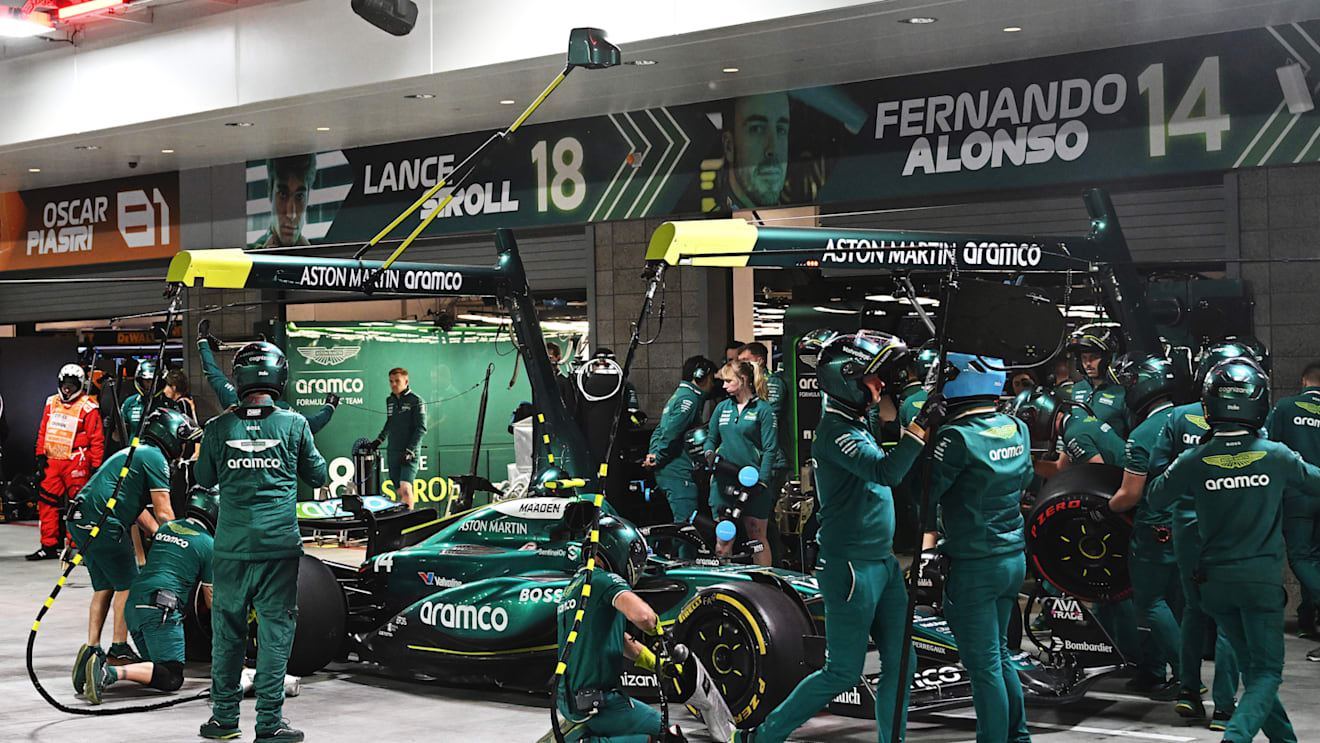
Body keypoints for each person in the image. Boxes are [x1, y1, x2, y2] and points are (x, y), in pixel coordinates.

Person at [735, 331, 930, 743]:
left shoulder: (857, 421)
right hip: (850, 567)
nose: (879, 387)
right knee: (842, 670)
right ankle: (763, 736)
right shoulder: (834, 432)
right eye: (872, 379)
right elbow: (886, 472)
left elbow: (886, 436)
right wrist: (921, 427)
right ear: (846, 379)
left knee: (902, 660)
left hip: (882, 562)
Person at [1147, 357, 1317, 743]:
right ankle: (1235, 737)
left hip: (1215, 586)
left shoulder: (1195, 459)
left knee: (1253, 670)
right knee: (1268, 673)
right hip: (1259, 585)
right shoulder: (1276, 456)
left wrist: (1190, 462)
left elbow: (1156, 497)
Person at [196, 341, 327, 743]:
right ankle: (269, 724)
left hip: (231, 549)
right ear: (279, 377)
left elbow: (203, 478)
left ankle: (223, 720)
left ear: (239, 378)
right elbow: (319, 476)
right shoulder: (294, 424)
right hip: (278, 549)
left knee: (228, 634)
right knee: (274, 634)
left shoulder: (217, 428)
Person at [926, 353, 1033, 743]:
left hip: (974, 562)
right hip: (1012, 556)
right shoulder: (1016, 426)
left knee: (984, 666)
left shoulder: (955, 437)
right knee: (1000, 655)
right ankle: (1018, 737)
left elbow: (922, 494)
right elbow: (1027, 477)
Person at [1146, 340, 1253, 731]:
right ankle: (1224, 708)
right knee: (1229, 619)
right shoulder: (1257, 422)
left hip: (1186, 527)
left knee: (1193, 610)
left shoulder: (1176, 419)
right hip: (1233, 529)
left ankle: (1189, 693)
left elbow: (1158, 476)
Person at [68, 408, 198, 684]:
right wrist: (182, 540)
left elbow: (135, 507)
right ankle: (118, 650)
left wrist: (159, 534)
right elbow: (163, 511)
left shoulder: (134, 452)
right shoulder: (154, 458)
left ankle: (92, 648)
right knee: (130, 585)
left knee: (104, 587)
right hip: (104, 523)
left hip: (80, 519)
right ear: (171, 437)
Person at [552, 516, 682, 742]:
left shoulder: (575, 587)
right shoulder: (603, 580)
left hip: (573, 700)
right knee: (671, 737)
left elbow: (617, 640)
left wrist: (655, 664)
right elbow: (643, 616)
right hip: (598, 703)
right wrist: (656, 628)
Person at [1105, 355, 1185, 707]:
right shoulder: (1195, 415)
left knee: (1150, 603)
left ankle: (1187, 674)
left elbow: (1129, 496)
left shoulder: (1142, 434)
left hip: (1157, 528)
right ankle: (1154, 671)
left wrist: (1102, 508)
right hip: (1194, 524)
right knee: (1177, 604)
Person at [82, 514, 214, 704]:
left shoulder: (167, 528)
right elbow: (211, 598)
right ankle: (107, 672)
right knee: (172, 676)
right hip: (160, 609)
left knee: (155, 670)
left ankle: (89, 670)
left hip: (135, 603)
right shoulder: (208, 544)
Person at [1265, 360, 1320, 659]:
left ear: (1303, 380)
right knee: (1316, 557)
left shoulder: (1286, 408)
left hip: (1299, 492)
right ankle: (1307, 617)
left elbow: (1269, 447)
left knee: (1300, 557)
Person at [196, 320, 338, 434]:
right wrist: (329, 406)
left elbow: (212, 373)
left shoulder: (230, 399)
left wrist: (202, 341)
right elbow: (313, 424)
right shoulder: (285, 411)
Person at [702, 360, 777, 566]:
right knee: (724, 537)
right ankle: (725, 587)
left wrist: (762, 481)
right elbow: (711, 437)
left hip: (752, 483)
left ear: (743, 380)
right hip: (724, 481)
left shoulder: (763, 409)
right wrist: (708, 452)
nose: (724, 386)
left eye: (728, 381)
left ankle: (765, 583)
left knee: (756, 537)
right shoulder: (722, 408)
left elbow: (771, 448)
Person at [29, 364, 104, 561]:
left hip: (77, 460)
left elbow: (96, 438)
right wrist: (40, 456)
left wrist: (96, 464)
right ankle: (49, 544)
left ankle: (75, 546)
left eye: (72, 385)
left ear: (79, 385)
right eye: (65, 385)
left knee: (77, 505)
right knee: (46, 503)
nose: (67, 389)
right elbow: (43, 431)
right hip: (52, 459)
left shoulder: (89, 407)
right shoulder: (51, 403)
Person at [644, 356, 715, 549]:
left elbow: (660, 429)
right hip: (678, 472)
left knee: (682, 525)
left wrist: (653, 454)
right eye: (712, 378)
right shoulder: (689, 399)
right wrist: (658, 457)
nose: (713, 383)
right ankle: (685, 571)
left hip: (671, 470)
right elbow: (670, 431)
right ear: (700, 375)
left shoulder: (679, 395)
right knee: (687, 528)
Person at [719, 93, 790, 210]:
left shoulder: (801, 223)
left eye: (781, 130)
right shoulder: (705, 227)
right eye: (757, 129)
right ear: (729, 146)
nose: (773, 149)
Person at [368, 367, 425, 510]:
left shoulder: (417, 400)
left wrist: (410, 451)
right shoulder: (390, 400)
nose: (394, 384)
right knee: (399, 491)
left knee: (406, 488)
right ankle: (403, 520)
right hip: (393, 451)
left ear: (406, 381)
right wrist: (379, 440)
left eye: (397, 381)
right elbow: (390, 421)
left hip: (408, 453)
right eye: (391, 381)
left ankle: (409, 524)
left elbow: (421, 428)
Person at [1067, 324, 1131, 437]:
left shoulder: (1122, 393)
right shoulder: (1077, 388)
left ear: (1107, 359)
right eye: (1084, 358)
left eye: (1094, 357)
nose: (1088, 364)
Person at [250, 154, 316, 249]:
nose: (291, 214)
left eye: (299, 197)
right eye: (283, 195)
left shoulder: (323, 256)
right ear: (270, 192)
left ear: (308, 197)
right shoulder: (247, 256)